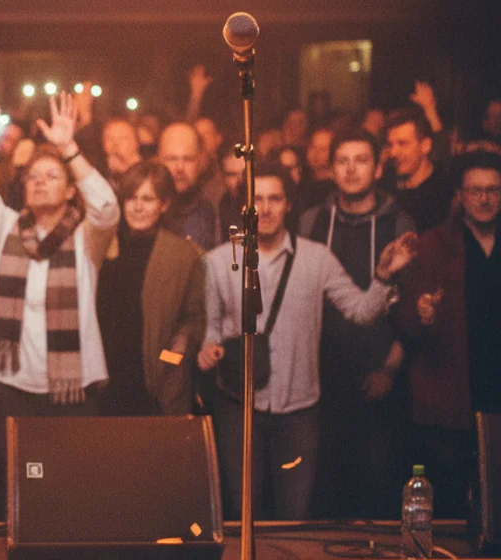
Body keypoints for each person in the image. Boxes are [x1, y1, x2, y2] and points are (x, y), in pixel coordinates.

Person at [198, 162, 416, 520]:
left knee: (295, 518)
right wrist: (209, 349)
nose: (265, 208)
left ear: (288, 204)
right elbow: (211, 327)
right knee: (243, 515)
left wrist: (382, 276)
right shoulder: (218, 262)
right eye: (256, 200)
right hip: (239, 407)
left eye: (274, 199)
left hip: (299, 411)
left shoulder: (316, 258)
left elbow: (361, 311)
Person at [0, 74, 120, 460]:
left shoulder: (85, 238)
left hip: (72, 385)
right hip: (12, 385)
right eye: (33, 177)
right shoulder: (6, 228)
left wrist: (68, 149)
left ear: (70, 190)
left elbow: (106, 207)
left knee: (72, 480)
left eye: (52, 176)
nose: (40, 182)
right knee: (19, 478)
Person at [298, 130, 416, 518]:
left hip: (378, 374)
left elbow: (412, 307)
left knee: (376, 486)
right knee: (325, 491)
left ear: (378, 168)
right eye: (342, 161)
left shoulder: (398, 223)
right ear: (331, 169)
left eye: (361, 160)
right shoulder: (312, 221)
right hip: (321, 376)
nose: (351, 169)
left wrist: (389, 369)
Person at [398, 151, 501, 519]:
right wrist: (422, 315)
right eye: (475, 190)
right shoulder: (434, 245)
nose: (485, 199)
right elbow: (406, 324)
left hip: (496, 384)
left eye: (493, 190)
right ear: (460, 195)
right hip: (451, 393)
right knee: (452, 506)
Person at [95, 160, 206, 416]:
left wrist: (171, 358)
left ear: (163, 205)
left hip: (155, 384)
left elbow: (195, 318)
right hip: (106, 379)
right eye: (131, 198)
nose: (138, 207)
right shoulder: (104, 245)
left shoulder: (182, 255)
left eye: (147, 199)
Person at [383, 109, 452, 233]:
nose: (393, 152)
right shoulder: (387, 186)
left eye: (402, 143)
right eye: (390, 145)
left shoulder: (445, 189)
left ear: (425, 146)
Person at [158, 122, 220, 250]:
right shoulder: (143, 208)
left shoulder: (213, 209)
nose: (180, 168)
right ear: (159, 160)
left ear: (200, 161)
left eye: (188, 159)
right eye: (171, 159)